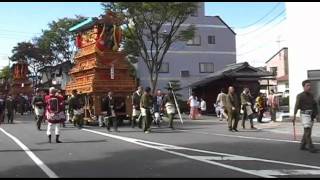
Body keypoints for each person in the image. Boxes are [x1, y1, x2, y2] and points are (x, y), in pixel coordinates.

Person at [293, 80, 318, 153]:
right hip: (304, 115)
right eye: (307, 85)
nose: (309, 87)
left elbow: (315, 105)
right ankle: (311, 147)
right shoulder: (300, 95)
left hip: (311, 115)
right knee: (308, 131)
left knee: (307, 131)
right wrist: (294, 115)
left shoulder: (312, 95)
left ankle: (302, 145)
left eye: (310, 85)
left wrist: (316, 114)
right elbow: (296, 105)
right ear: (303, 87)